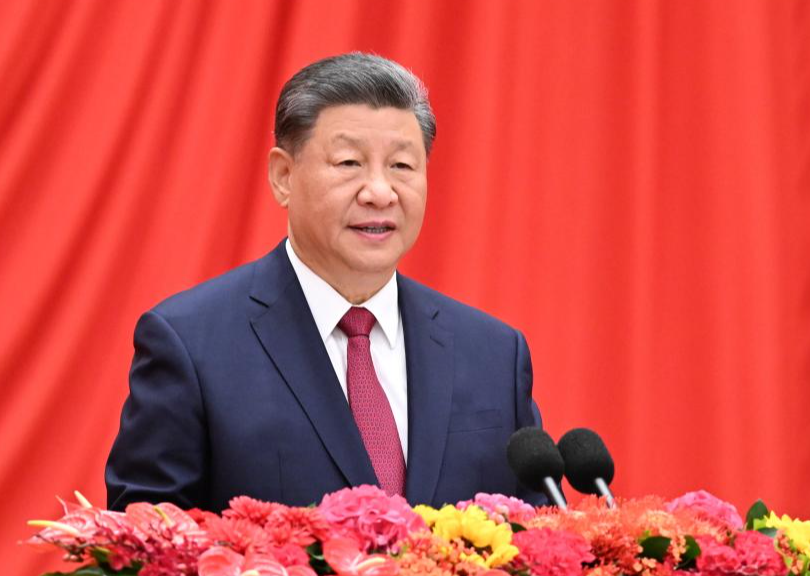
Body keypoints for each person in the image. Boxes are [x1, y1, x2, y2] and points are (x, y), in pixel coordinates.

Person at [106, 53, 545, 513]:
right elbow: (144, 545)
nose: (380, 191)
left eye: (402, 166)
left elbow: (539, 534)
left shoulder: (493, 353)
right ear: (283, 177)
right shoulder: (191, 345)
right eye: (349, 162)